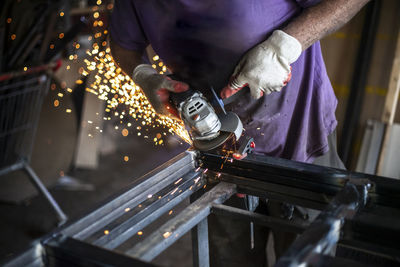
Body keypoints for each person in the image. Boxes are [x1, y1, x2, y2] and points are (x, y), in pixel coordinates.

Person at [109, 0, 369, 265]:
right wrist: (143, 75)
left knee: (307, 254)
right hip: (215, 153)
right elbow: (123, 44)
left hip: (298, 134)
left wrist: (286, 46)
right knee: (229, 257)